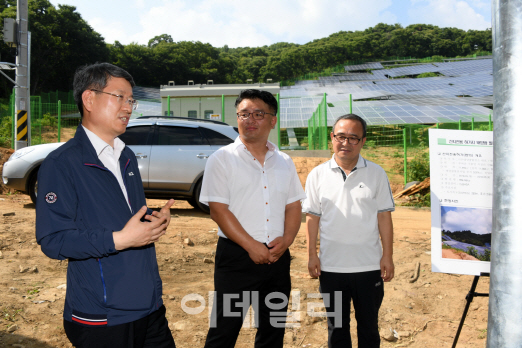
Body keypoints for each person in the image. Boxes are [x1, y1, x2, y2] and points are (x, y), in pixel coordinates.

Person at [35, 63, 176, 348]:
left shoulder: (126, 155)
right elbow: (53, 240)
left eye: (131, 100)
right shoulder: (62, 164)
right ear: (89, 99)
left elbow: (119, 214)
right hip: (102, 316)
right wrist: (121, 239)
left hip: (149, 306)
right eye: (119, 97)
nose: (129, 107)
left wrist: (150, 219)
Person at [199, 89, 306, 348]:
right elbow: (218, 210)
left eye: (258, 114)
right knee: (224, 329)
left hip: (277, 256)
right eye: (244, 114)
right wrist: (251, 246)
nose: (250, 120)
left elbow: (293, 205)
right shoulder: (221, 159)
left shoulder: (284, 161)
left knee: (273, 329)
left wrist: (288, 240)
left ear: (272, 120)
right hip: (236, 258)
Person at [302, 114, 395, 348]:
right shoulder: (317, 175)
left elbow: (384, 216)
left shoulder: (376, 173)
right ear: (332, 138)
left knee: (368, 328)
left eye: (353, 138)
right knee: (337, 329)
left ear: (363, 141)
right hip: (331, 267)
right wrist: (312, 255)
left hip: (369, 267)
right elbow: (312, 218)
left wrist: (387, 256)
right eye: (341, 136)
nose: (346, 143)